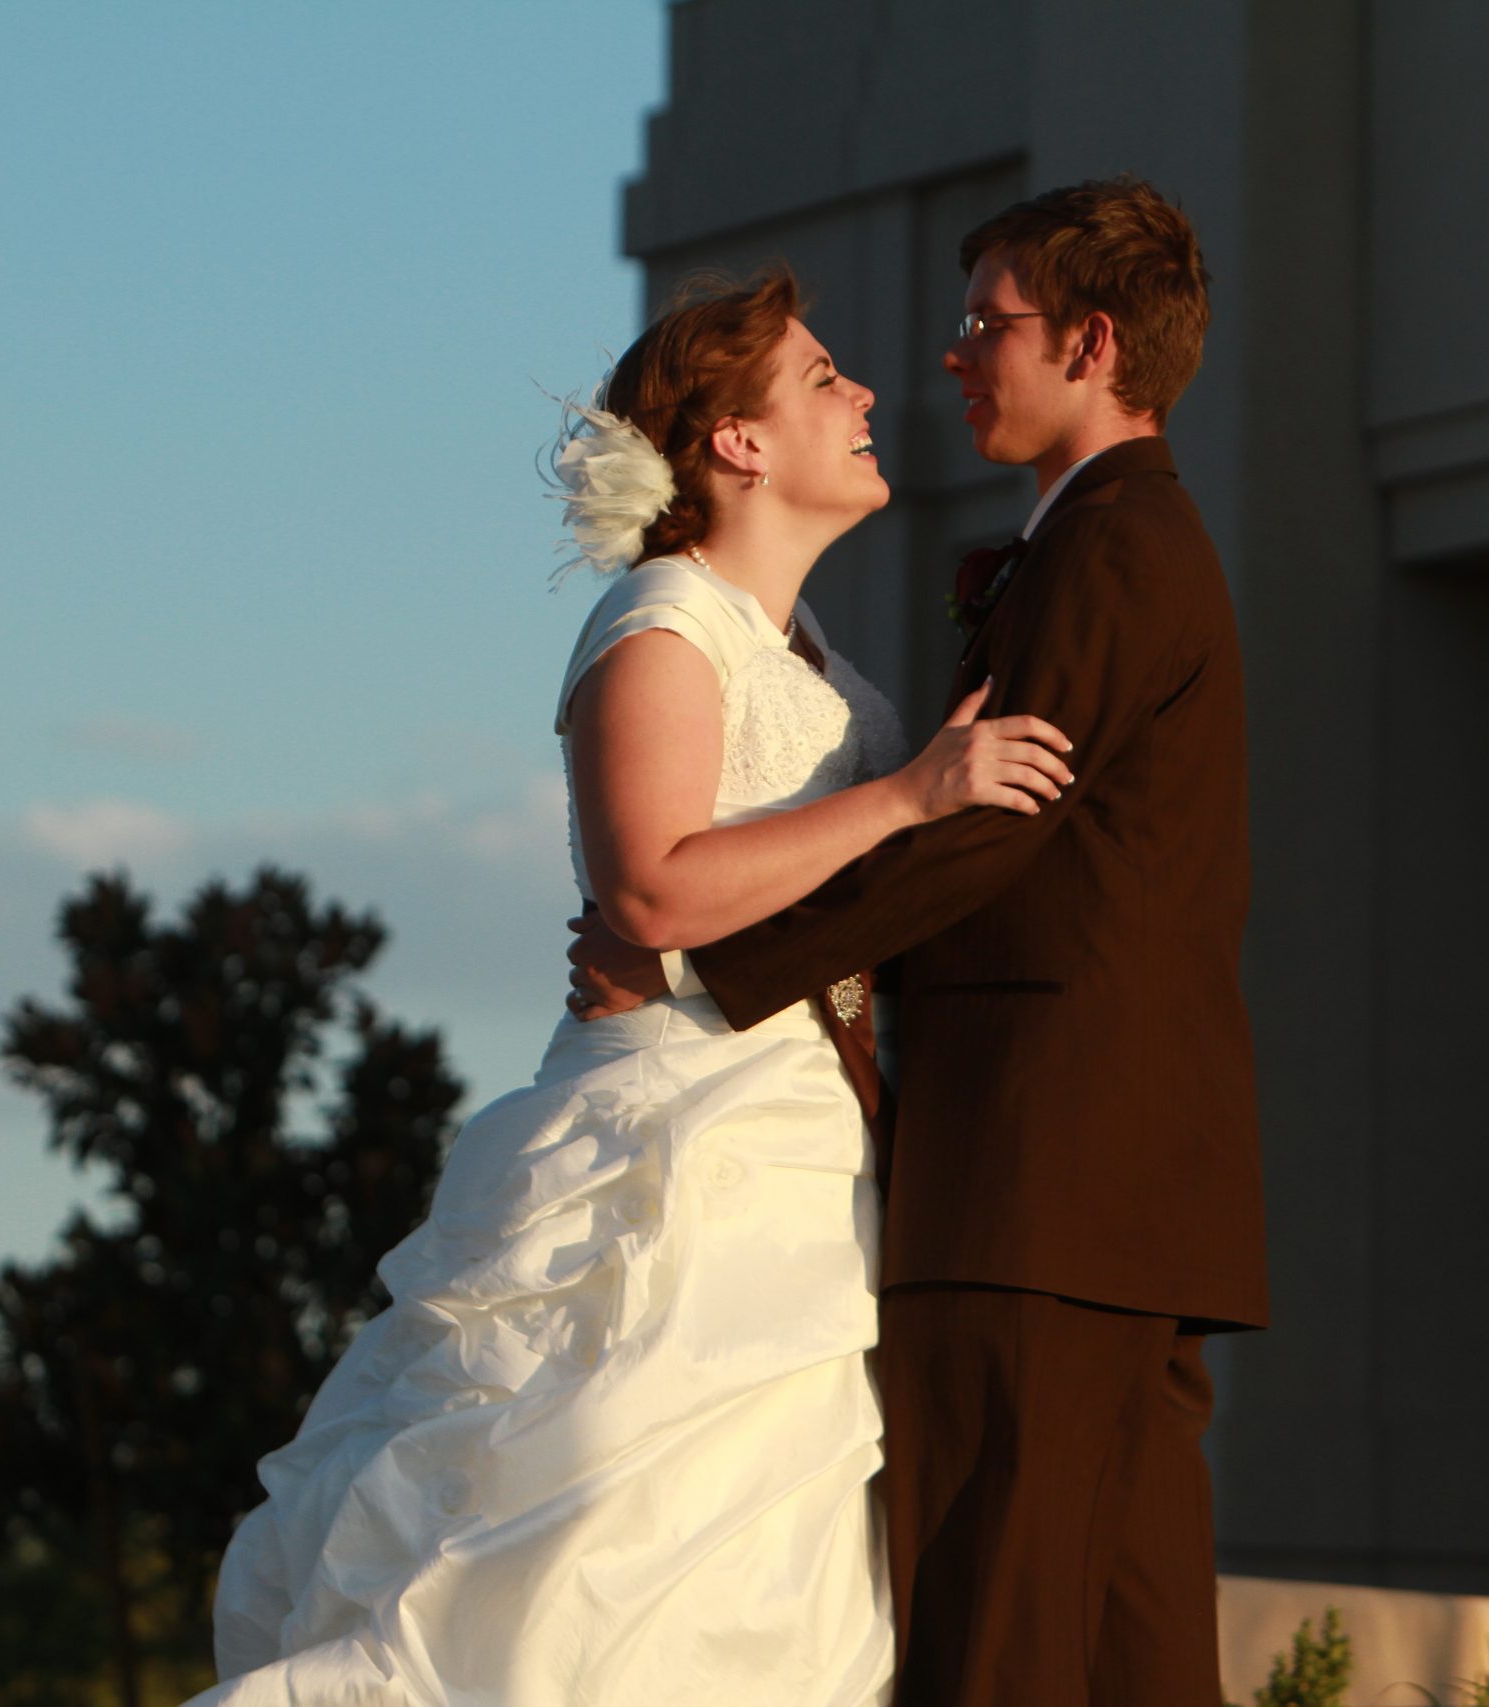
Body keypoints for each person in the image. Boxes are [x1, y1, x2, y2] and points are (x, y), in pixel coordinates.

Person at [188, 267, 1073, 1706]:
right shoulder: (663, 620)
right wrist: (912, 797)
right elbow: (652, 888)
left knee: (767, 1582)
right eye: (824, 379)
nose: (864, 397)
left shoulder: (826, 670)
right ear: (738, 441)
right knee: (596, 1527)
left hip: (807, 1150)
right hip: (674, 1144)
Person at [568, 178, 1269, 1707]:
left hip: (1038, 1176)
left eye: (984, 326)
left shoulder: (1110, 546)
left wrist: (711, 967)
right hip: (1112, 1186)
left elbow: (992, 827)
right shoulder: (1113, 537)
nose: (947, 358)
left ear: (1089, 343)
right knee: (1130, 1652)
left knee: (996, 1640)